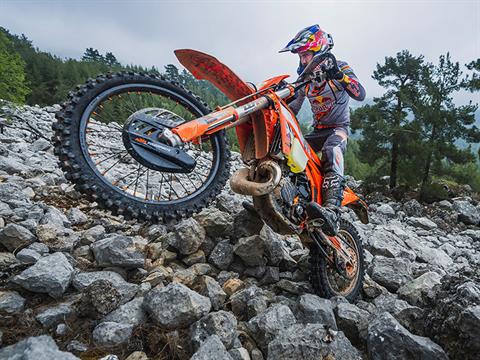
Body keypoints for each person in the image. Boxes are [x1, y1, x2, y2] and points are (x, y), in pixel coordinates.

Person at [279, 24, 366, 236]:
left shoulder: (341, 67)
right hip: (318, 130)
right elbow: (293, 109)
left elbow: (360, 93)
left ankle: (332, 211)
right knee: (288, 152)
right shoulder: (305, 80)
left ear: (319, 51)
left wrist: (339, 76)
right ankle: (283, 200)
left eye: (306, 54)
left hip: (338, 129)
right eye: (300, 56)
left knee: (331, 150)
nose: (302, 60)